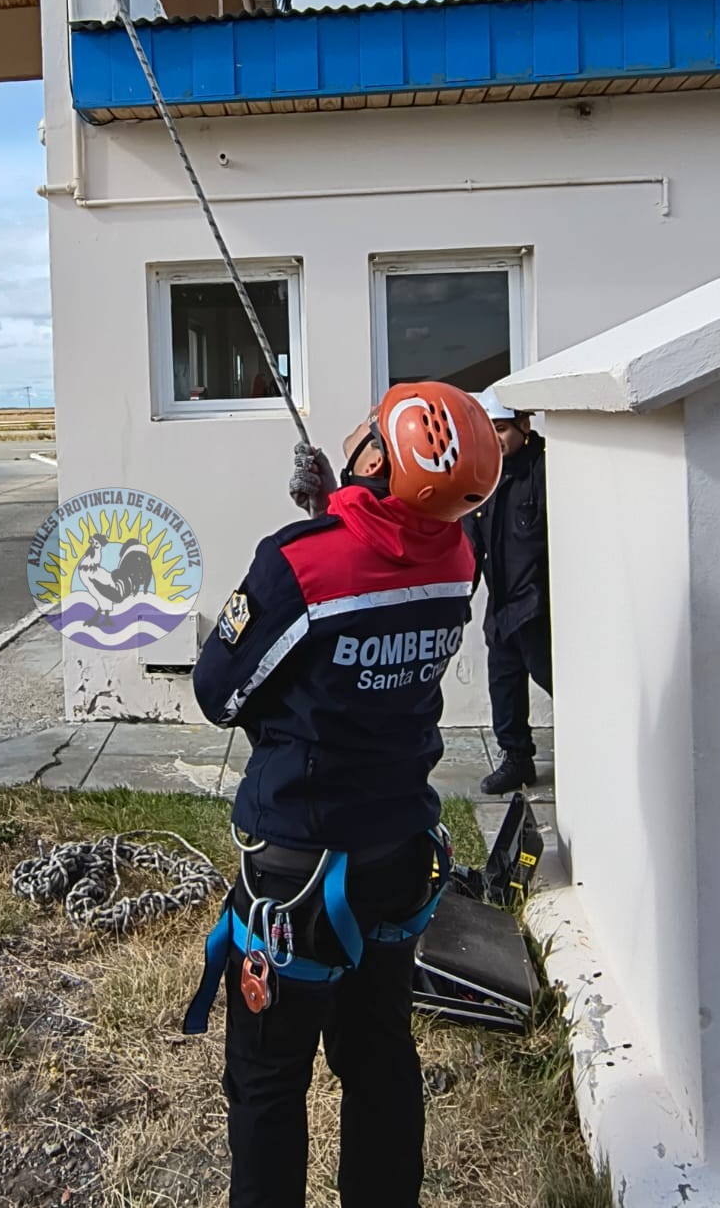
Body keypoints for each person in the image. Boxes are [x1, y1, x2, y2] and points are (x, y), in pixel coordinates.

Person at [185, 383, 501, 1208]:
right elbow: (395, 558)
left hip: (296, 871)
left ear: (376, 455)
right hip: (393, 859)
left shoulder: (297, 563)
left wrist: (317, 524)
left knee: (267, 1080)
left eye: (369, 431)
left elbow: (219, 693)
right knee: (379, 1059)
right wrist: (342, 506)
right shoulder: (457, 561)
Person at [463, 387, 552, 796]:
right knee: (504, 684)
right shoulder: (483, 474)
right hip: (502, 607)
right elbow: (469, 546)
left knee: (556, 680)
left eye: (500, 428)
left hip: (540, 606)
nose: (494, 438)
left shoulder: (546, 467)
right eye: (488, 429)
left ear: (524, 425)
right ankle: (517, 758)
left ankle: (596, 748)